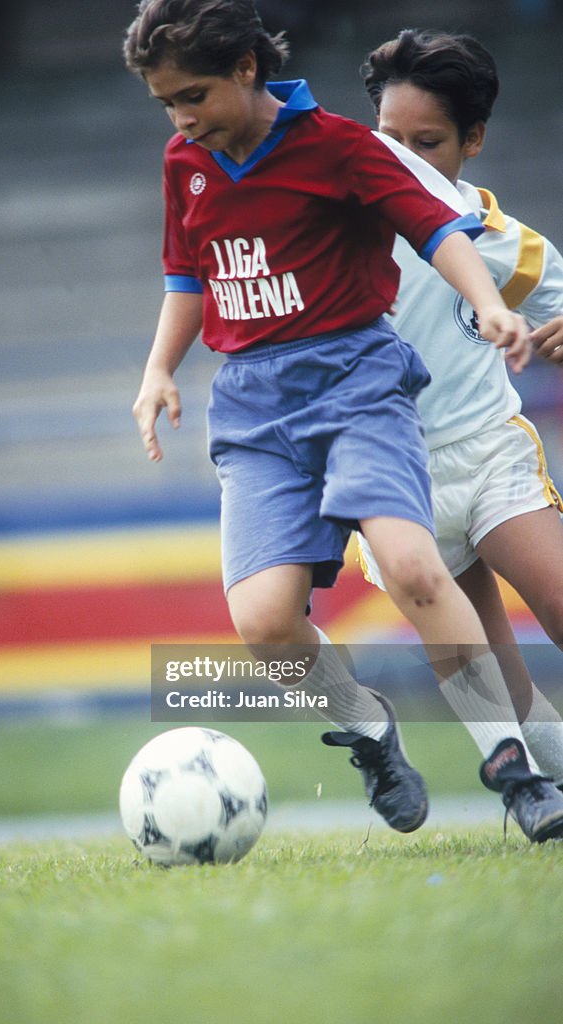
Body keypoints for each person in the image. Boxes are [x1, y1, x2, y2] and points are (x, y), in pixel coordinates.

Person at [123, 0, 563, 841]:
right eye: (165, 102)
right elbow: (192, 273)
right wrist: (157, 371)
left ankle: (515, 777)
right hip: (285, 421)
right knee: (274, 622)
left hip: (410, 422)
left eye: (192, 96)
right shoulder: (201, 163)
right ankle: (400, 738)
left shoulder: (367, 169)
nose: (180, 118)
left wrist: (492, 306)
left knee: (457, 580)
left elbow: (446, 234)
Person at [357, 28, 563, 804]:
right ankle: (536, 795)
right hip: (391, 477)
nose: (403, 158)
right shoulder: (337, 221)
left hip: (486, 455)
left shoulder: (493, 240)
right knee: (496, 675)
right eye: (387, 138)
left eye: (427, 141)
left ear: (472, 140)